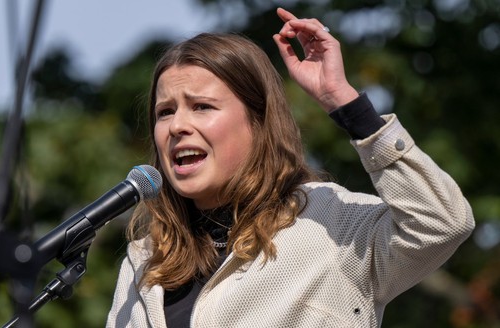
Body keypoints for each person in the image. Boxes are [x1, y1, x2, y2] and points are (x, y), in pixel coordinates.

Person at [106, 7, 475, 328]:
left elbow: (441, 223)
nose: (176, 126)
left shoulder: (330, 223)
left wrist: (344, 102)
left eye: (201, 106)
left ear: (257, 123)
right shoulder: (146, 257)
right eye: (165, 112)